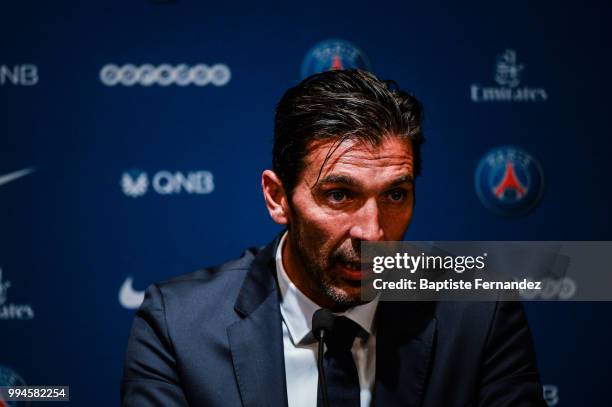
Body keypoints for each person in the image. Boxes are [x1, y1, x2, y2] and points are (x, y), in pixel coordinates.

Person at [121, 69, 546, 406]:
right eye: (340, 195)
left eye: (395, 194)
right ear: (277, 198)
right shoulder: (178, 327)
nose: (373, 232)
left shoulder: (480, 312)